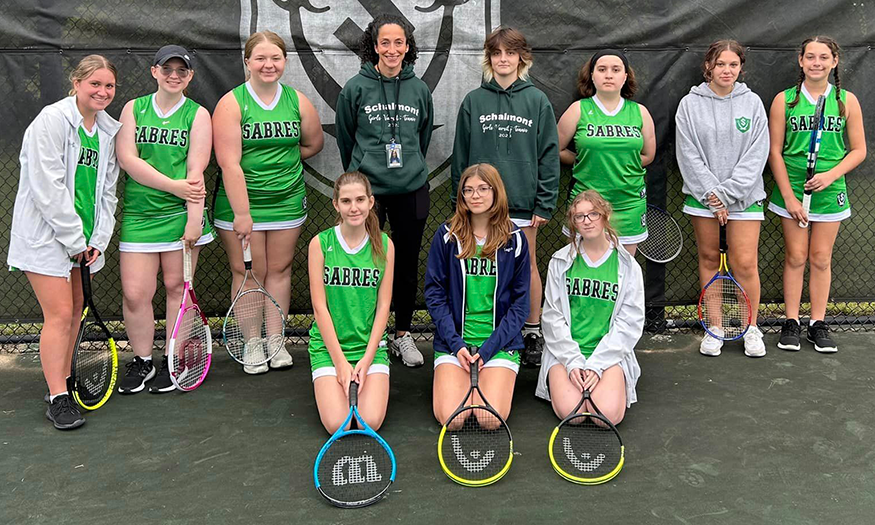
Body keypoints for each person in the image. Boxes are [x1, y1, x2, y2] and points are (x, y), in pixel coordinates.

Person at [7, 55, 121, 429]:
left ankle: (64, 382)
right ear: (76, 83)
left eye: (109, 86)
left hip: (82, 244)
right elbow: (47, 189)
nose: (102, 92)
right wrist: (74, 240)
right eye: (95, 84)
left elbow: (106, 192)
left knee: (74, 312)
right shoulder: (51, 121)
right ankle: (58, 398)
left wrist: (97, 241)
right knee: (58, 315)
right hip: (46, 241)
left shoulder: (107, 131)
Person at [213, 31, 323, 373]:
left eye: (275, 58)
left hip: (287, 202)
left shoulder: (297, 100)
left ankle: (276, 341)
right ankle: (251, 343)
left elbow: (313, 144)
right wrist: (243, 213)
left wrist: (284, 163)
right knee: (248, 273)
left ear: (285, 62)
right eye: (260, 58)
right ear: (247, 62)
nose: (268, 65)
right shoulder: (232, 103)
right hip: (241, 206)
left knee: (278, 271)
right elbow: (229, 162)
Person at [452, 26, 559, 368]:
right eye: (496, 53)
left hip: (523, 201)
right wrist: (463, 201)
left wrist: (544, 201)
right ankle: (482, 328)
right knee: (480, 266)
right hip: (480, 204)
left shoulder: (537, 100)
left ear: (521, 58)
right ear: (489, 58)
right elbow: (461, 155)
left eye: (510, 53)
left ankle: (530, 330)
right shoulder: (474, 101)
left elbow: (549, 154)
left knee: (526, 268)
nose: (503, 59)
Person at [335, 14, 434, 368]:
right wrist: (365, 175)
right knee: (369, 264)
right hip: (369, 193)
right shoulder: (355, 88)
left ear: (408, 47)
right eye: (384, 43)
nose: (392, 50)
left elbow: (422, 138)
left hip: (411, 189)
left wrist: (407, 168)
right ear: (373, 46)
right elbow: (346, 141)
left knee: (406, 264)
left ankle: (402, 334)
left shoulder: (419, 89)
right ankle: (367, 338)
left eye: (399, 42)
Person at [115, 45, 214, 394]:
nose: (174, 75)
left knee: (177, 290)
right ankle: (142, 361)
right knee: (135, 294)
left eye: (181, 71)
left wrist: (194, 220)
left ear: (189, 76)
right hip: (140, 216)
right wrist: (175, 186)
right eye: (167, 69)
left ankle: (174, 361)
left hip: (179, 216)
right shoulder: (134, 109)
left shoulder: (198, 115)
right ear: (154, 71)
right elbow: (128, 159)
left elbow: (196, 172)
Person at [767, 36, 866, 353]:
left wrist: (830, 175)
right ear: (800, 60)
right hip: (792, 188)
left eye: (824, 57)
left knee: (821, 258)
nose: (817, 63)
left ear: (834, 61)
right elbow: (774, 151)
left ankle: (818, 323)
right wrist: (790, 198)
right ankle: (792, 321)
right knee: (795, 257)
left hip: (829, 188)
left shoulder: (845, 100)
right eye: (810, 57)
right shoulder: (785, 100)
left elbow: (859, 150)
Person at [675, 40, 770, 358]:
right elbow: (688, 155)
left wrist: (727, 195)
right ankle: (714, 327)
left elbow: (758, 154)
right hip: (703, 200)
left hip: (745, 199)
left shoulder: (753, 103)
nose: (726, 70)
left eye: (733, 64)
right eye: (720, 64)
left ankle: (751, 327)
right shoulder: (689, 104)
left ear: (741, 67)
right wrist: (713, 197)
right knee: (709, 261)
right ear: (708, 67)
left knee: (745, 264)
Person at [425, 164, 530, 425]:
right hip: (455, 343)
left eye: (483, 188)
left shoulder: (515, 239)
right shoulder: (446, 235)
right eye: (468, 190)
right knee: (453, 419)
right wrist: (456, 344)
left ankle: (483, 383)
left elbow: (520, 304)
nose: (475, 195)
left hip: (499, 343)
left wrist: (488, 350)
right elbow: (435, 295)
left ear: (496, 193)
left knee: (488, 419)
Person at [535, 190, 643, 425]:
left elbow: (630, 322)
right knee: (572, 415)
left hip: (607, 355)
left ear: (605, 216)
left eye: (593, 214)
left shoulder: (627, 265)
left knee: (605, 417)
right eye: (579, 216)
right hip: (566, 353)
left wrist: (597, 365)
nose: (587, 220)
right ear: (573, 223)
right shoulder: (560, 261)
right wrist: (573, 361)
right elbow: (553, 318)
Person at [308, 172, 394, 433]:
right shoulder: (320, 244)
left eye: (359, 200)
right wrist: (339, 363)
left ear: (371, 202)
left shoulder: (385, 244)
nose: (353, 207)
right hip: (328, 348)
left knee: (370, 422)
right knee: (338, 424)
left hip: (371, 347)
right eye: (346, 201)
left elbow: (383, 307)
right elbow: (319, 308)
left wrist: (367, 360)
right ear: (336, 205)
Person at [556, 50, 656, 255]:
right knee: (583, 272)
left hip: (628, 203)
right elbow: (556, 149)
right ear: (592, 75)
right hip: (587, 205)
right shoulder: (578, 109)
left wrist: (620, 162)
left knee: (624, 272)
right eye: (602, 70)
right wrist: (584, 160)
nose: (608, 74)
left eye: (616, 69)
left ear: (625, 76)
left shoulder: (639, 112)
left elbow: (648, 155)